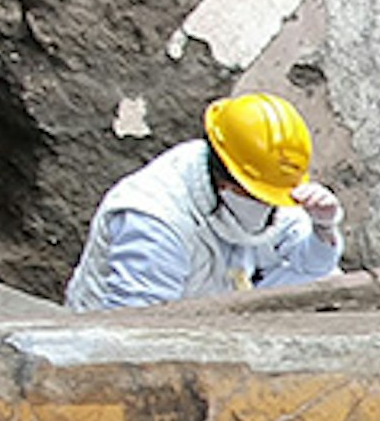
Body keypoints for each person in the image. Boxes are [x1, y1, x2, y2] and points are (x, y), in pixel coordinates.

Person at [64, 92, 342, 309]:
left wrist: (323, 230)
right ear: (225, 180)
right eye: (258, 196)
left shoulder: (265, 183)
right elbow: (135, 332)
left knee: (329, 287)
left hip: (219, 301)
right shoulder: (155, 221)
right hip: (137, 335)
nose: (267, 206)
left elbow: (311, 266)